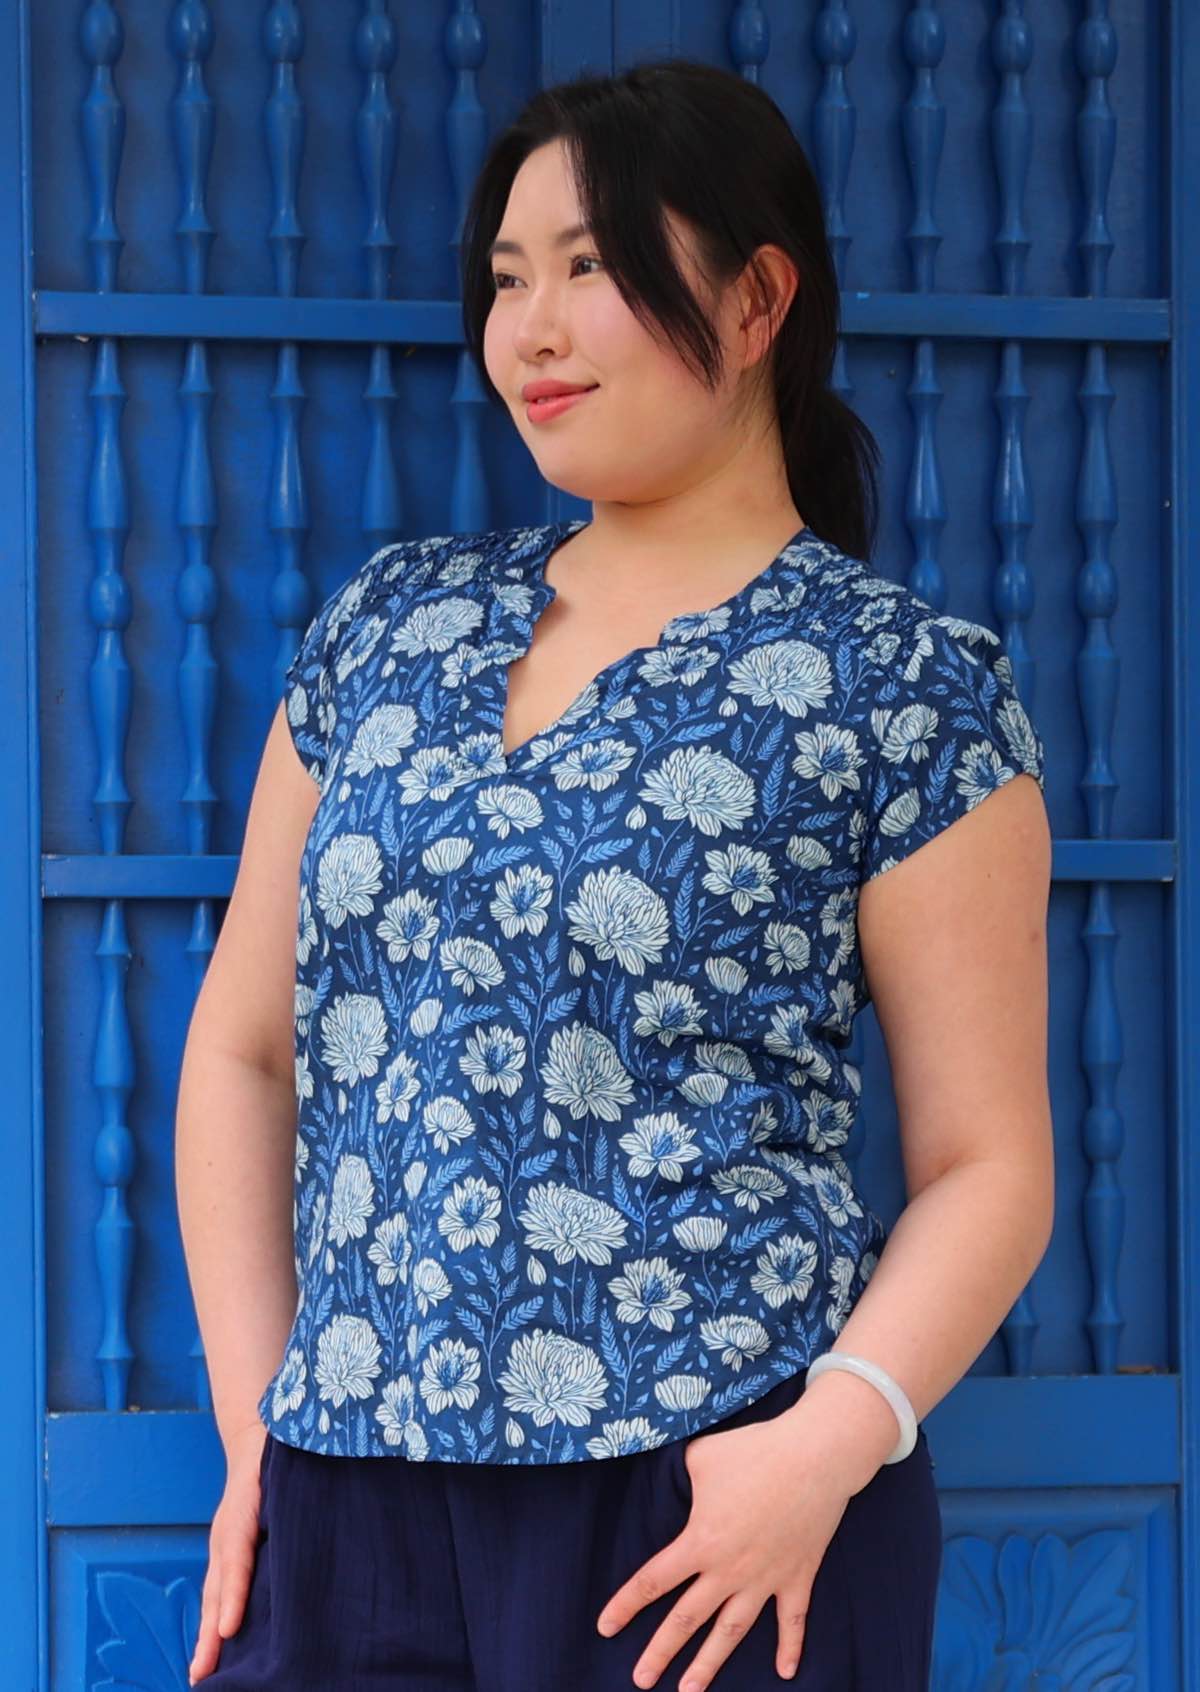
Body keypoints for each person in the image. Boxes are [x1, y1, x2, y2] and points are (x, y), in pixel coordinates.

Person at [178, 56, 1054, 1692]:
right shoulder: (391, 625)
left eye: (589, 267)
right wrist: (258, 1431)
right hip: (350, 1498)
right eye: (507, 280)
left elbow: (992, 1161)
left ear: (757, 298)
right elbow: (241, 1046)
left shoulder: (904, 685)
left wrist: (829, 1447)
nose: (531, 329)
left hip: (712, 1509)